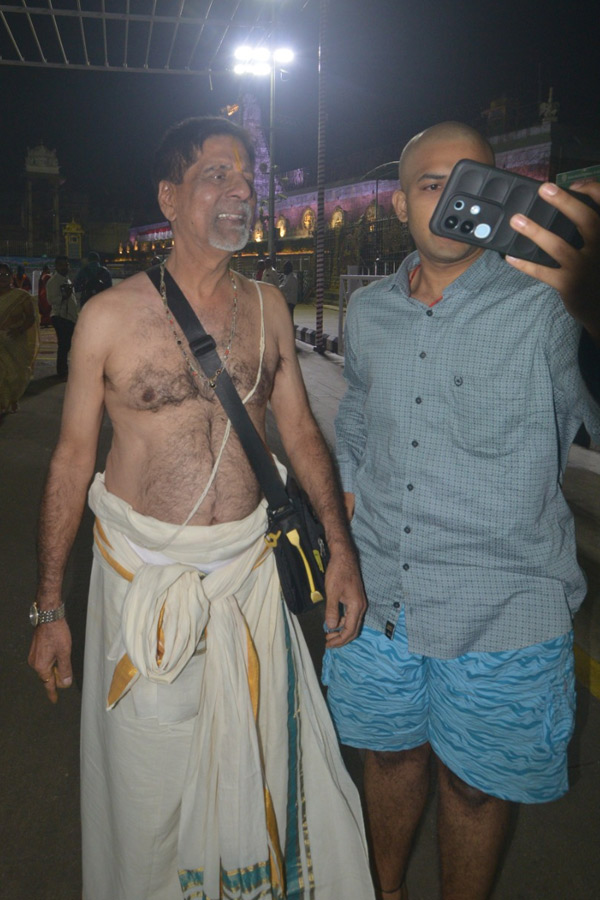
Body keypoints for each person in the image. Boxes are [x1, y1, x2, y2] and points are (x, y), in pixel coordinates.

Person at [28, 116, 374, 900]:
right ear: (170, 198)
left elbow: (304, 440)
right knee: (149, 799)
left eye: (246, 175)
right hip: (146, 589)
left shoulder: (269, 309)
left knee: (256, 769)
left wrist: (342, 552)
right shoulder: (110, 318)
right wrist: (47, 606)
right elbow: (72, 461)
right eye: (215, 174)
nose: (240, 190)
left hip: (249, 585)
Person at [323, 121, 600, 900]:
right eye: (427, 182)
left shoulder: (549, 305)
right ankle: (388, 891)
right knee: (389, 758)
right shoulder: (369, 309)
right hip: (380, 596)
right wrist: (344, 535)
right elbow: (355, 419)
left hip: (503, 609)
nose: (448, 197)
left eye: (467, 178)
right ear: (403, 205)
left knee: (476, 790)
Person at [0, 261, 39, 416]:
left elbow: (31, 317)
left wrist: (19, 329)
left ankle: (13, 398)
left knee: (16, 375)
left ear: (11, 277)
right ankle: (2, 402)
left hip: (15, 342)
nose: (2, 278)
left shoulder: (21, 297)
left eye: (5, 275)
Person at [46, 256, 78, 379]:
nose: (65, 267)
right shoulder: (53, 281)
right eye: (61, 265)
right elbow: (50, 300)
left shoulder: (67, 280)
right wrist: (63, 296)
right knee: (64, 345)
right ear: (56, 266)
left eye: (66, 265)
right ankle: (62, 371)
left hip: (70, 317)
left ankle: (64, 369)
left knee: (67, 344)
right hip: (60, 316)